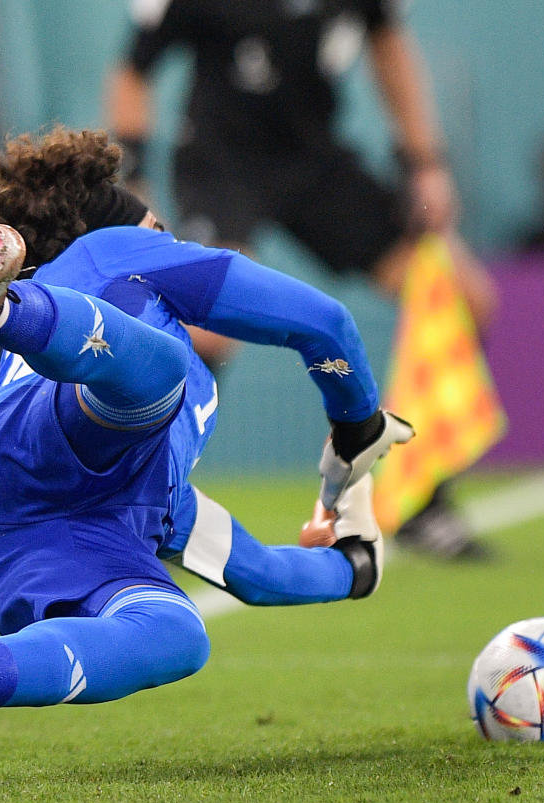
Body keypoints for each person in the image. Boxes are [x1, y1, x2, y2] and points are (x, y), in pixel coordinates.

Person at [0, 127, 413, 720]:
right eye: (164, 231)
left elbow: (257, 573)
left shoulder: (164, 494)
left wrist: (353, 567)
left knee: (178, 635)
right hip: (49, 435)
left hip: (17, 534)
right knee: (161, 369)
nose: (177, 243)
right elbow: (325, 322)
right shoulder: (112, 248)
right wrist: (357, 425)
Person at [104, 0, 495, 559]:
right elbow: (132, 71)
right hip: (223, 162)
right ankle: (128, 503)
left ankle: (419, 498)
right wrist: (135, 174)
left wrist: (424, 160)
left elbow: (389, 43)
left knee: (461, 298)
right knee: (208, 333)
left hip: (316, 161)